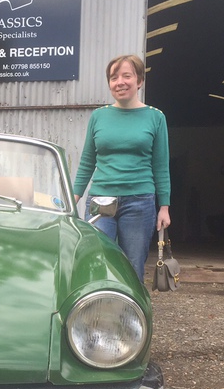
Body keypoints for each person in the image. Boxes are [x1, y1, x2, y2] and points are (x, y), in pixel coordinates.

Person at [73, 54, 171, 282]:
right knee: (98, 261)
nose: (120, 82)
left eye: (127, 76)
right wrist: (72, 198)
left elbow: (161, 165)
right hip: (100, 201)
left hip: (139, 201)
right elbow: (87, 162)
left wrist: (164, 207)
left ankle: (131, 305)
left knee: (132, 266)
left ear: (139, 81)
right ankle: (97, 304)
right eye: (114, 77)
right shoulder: (99, 116)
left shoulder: (155, 117)